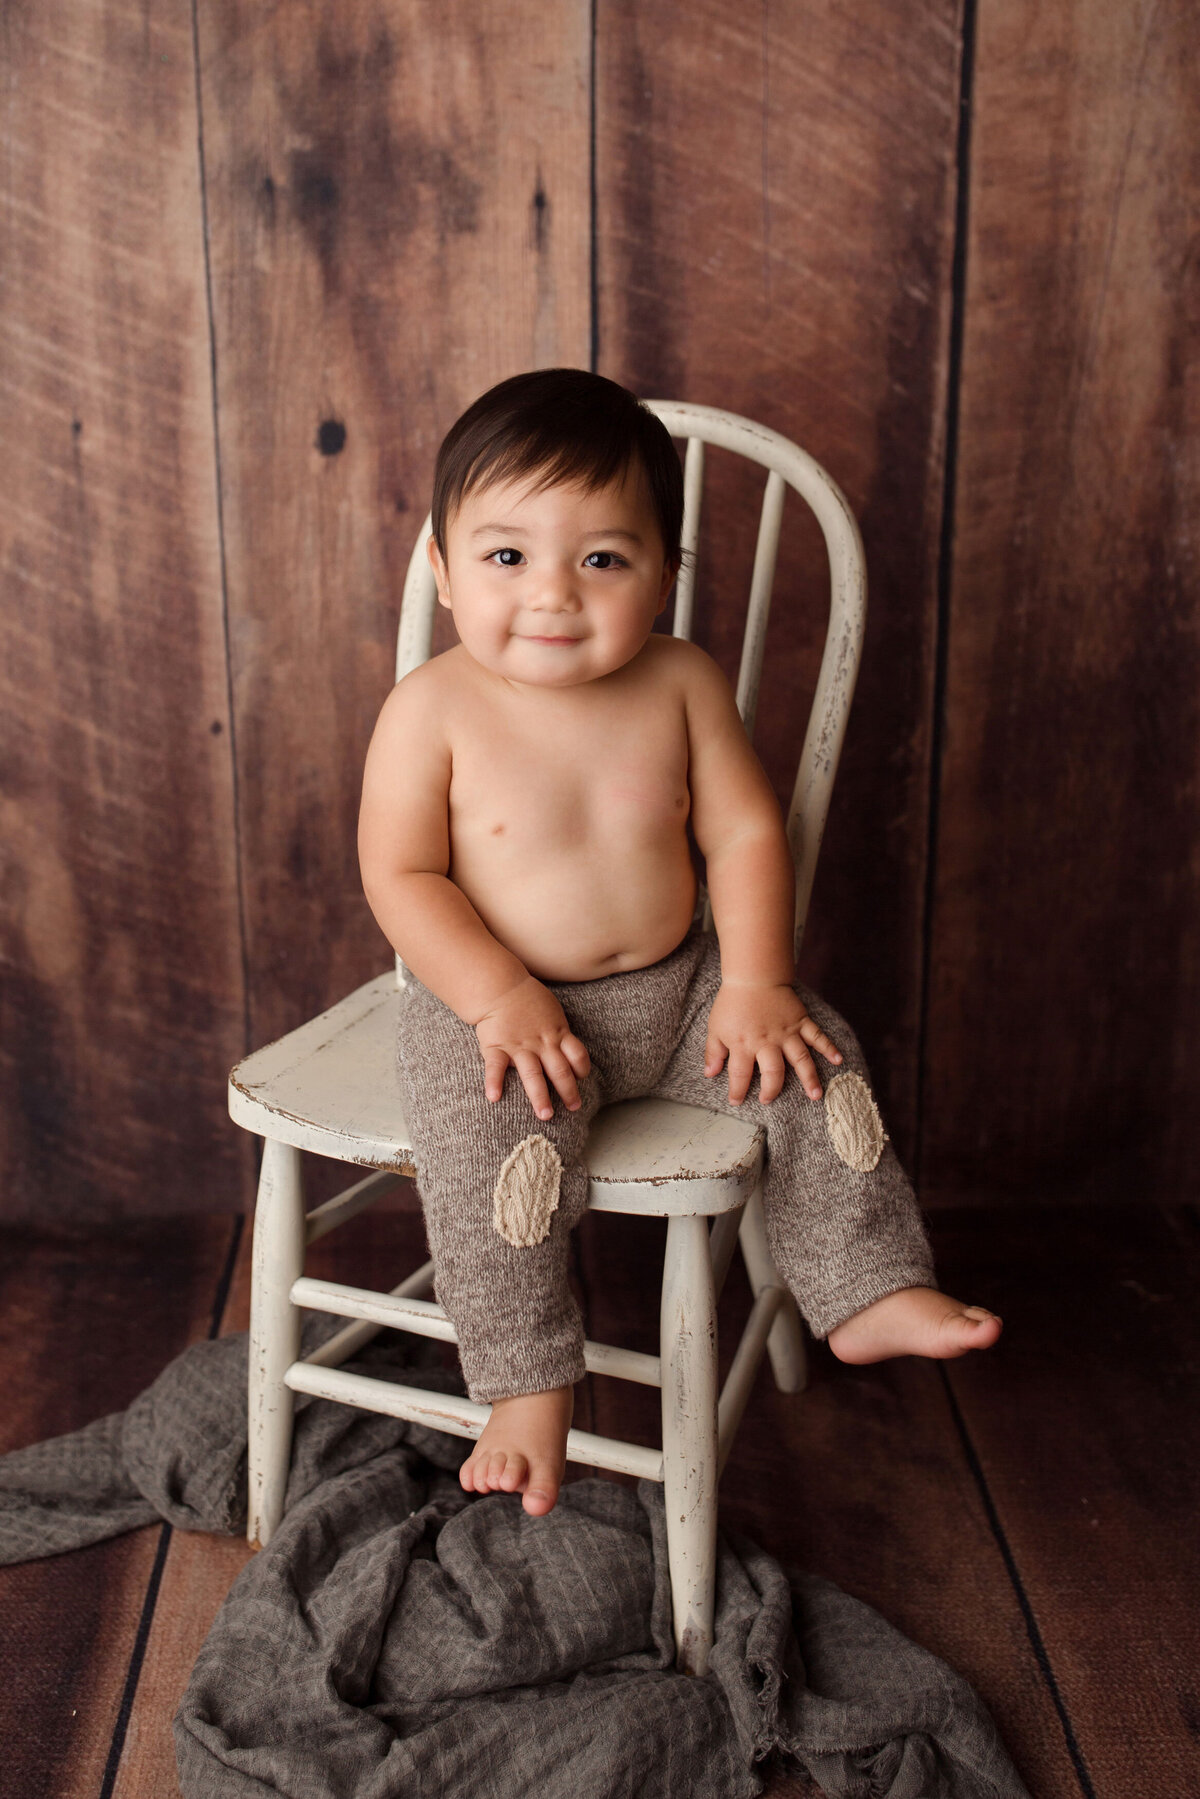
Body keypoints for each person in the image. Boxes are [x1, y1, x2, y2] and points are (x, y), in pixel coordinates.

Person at [358, 368, 1001, 1519]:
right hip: (509, 1013)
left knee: (815, 1064)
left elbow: (748, 831)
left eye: (602, 558)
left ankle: (865, 1285)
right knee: (482, 1150)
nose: (553, 593)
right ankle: (527, 1381)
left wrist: (756, 980)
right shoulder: (431, 710)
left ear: (663, 573)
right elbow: (401, 874)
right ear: (446, 572)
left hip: (685, 983)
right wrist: (496, 991)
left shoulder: (683, 681)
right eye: (507, 557)